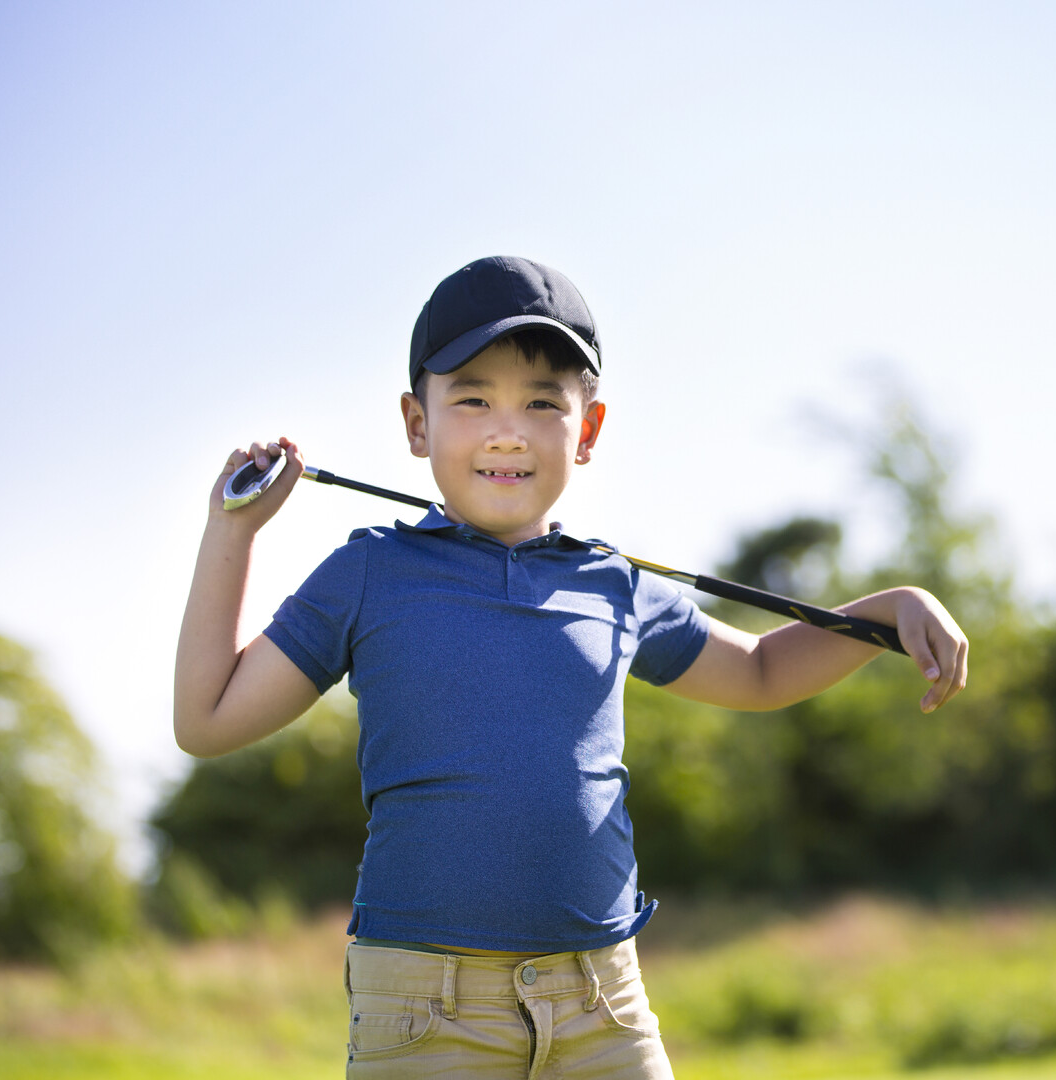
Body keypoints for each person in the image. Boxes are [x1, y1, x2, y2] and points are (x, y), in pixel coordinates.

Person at [174, 255, 969, 1078]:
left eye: (542, 402)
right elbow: (206, 719)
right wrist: (234, 529)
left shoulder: (613, 582)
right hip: (424, 1013)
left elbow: (762, 671)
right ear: (416, 424)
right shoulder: (370, 572)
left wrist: (891, 607)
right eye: (472, 398)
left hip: (603, 1007)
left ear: (586, 431)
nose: (507, 431)